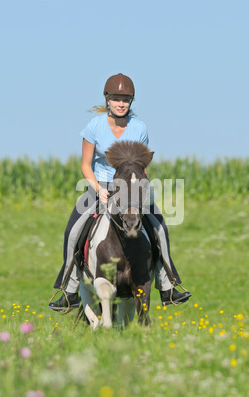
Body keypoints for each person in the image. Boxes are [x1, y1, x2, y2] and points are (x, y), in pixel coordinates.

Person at [49, 73, 191, 312]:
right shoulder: (94, 127)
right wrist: (100, 190)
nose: (121, 103)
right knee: (72, 230)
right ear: (107, 100)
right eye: (116, 98)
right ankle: (69, 290)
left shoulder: (139, 128)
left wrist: (140, 190)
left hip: (132, 189)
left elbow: (143, 165)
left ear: (131, 101)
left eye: (126, 99)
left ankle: (169, 286)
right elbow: (85, 165)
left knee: (160, 229)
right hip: (101, 186)